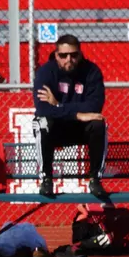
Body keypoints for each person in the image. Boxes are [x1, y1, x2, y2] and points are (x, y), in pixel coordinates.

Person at [32, 34, 107, 198]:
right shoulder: (46, 72)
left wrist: (58, 105)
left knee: (98, 123)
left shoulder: (91, 72)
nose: (69, 59)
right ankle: (46, 178)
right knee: (42, 123)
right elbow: (43, 109)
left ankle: (95, 178)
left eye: (73, 55)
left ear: (80, 54)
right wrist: (78, 114)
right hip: (55, 129)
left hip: (79, 130)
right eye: (64, 55)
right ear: (56, 55)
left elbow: (94, 106)